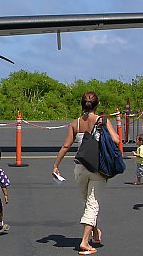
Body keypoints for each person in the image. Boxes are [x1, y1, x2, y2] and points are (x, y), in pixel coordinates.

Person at [53, 91, 119, 255]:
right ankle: (84, 242)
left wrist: (56, 164)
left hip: (80, 167)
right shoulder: (102, 121)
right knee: (93, 203)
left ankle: (95, 233)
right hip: (98, 168)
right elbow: (117, 140)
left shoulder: (75, 123)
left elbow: (66, 146)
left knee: (88, 202)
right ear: (97, 105)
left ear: (81, 105)